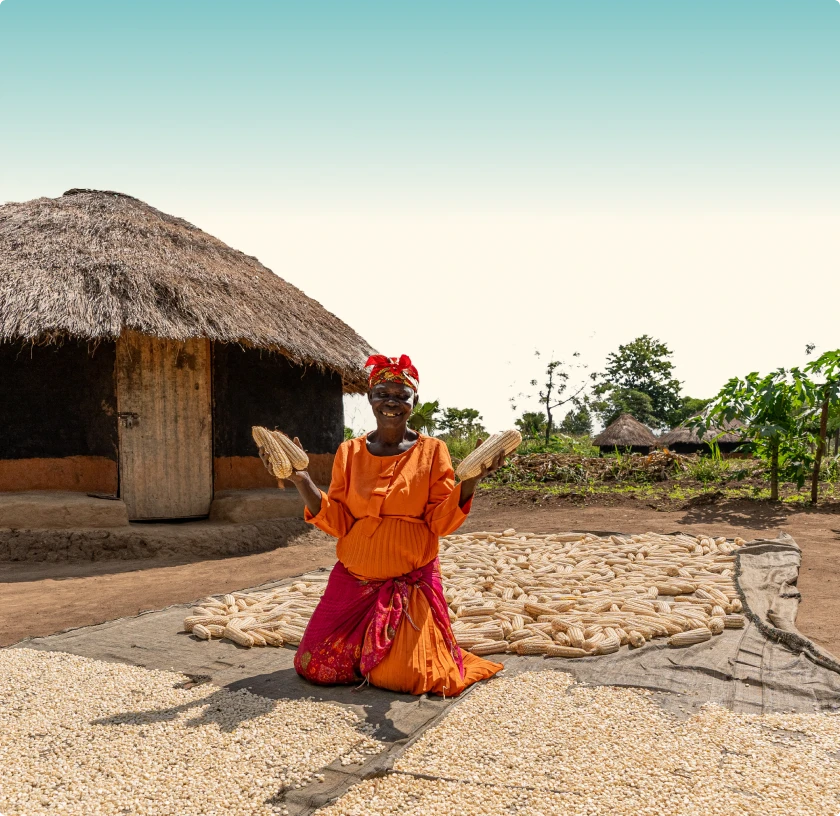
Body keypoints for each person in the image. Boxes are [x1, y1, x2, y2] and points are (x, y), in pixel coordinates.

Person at [260, 354, 505, 696]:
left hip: (409, 582)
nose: (392, 401)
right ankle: (370, 654)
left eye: (402, 395)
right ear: (370, 399)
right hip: (354, 580)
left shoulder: (433, 451)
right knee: (314, 666)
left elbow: (440, 520)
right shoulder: (350, 452)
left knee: (410, 678)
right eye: (383, 393)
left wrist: (470, 482)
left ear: (413, 403)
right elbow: (339, 519)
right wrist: (301, 479)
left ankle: (392, 653)